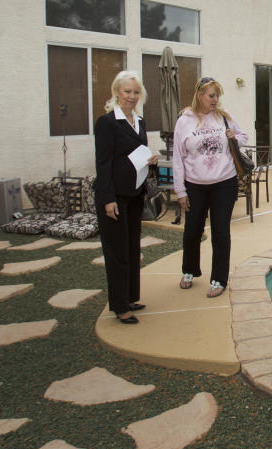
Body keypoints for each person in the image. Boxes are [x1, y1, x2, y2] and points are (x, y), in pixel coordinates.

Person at [172, 76, 248, 298]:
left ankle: (219, 279)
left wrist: (235, 137)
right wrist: (180, 191)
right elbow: (178, 157)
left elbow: (243, 136)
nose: (216, 100)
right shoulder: (184, 121)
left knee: (221, 232)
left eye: (217, 96)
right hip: (195, 186)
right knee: (192, 231)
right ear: (200, 96)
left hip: (224, 184)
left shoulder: (224, 117)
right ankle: (189, 271)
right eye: (212, 96)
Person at [94, 70, 159, 324]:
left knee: (132, 249)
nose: (132, 96)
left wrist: (150, 159)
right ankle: (120, 306)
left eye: (135, 92)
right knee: (117, 252)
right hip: (114, 198)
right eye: (127, 92)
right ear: (116, 93)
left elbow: (136, 154)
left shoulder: (139, 121)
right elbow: (103, 164)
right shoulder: (107, 123)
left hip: (134, 195)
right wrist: (108, 199)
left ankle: (130, 297)